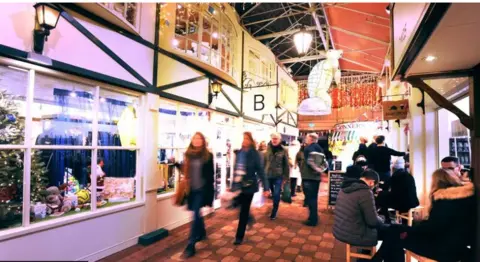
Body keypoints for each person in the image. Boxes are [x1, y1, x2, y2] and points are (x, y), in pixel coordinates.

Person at [375, 169, 476, 262]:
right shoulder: (466, 198)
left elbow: (432, 228)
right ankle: (376, 259)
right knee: (395, 232)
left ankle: (376, 259)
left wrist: (410, 231)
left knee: (395, 235)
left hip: (443, 249)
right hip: (456, 246)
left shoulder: (444, 201)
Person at [175, 132, 214, 258]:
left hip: (202, 190)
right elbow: (186, 170)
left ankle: (191, 245)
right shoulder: (188, 155)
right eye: (195, 138)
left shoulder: (208, 156)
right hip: (191, 190)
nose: (197, 140)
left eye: (199, 138)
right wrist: (176, 165)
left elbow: (211, 176)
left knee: (195, 214)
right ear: (192, 141)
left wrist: (211, 195)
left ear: (203, 141)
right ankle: (202, 232)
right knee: (197, 213)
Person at [232, 132, 269, 245]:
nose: (245, 141)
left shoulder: (256, 154)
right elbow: (236, 171)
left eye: (247, 139)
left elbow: (261, 171)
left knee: (243, 210)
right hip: (238, 185)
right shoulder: (239, 153)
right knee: (237, 206)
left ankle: (239, 236)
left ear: (251, 141)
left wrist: (266, 187)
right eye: (243, 138)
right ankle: (250, 218)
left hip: (249, 186)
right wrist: (232, 186)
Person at [333, 169, 384, 247]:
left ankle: (367, 255)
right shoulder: (365, 192)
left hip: (339, 230)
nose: (373, 188)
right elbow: (372, 222)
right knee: (390, 233)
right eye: (374, 186)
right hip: (353, 235)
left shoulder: (344, 187)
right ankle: (372, 257)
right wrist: (382, 219)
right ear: (371, 182)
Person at [301, 133, 328, 226]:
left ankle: (313, 220)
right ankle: (314, 217)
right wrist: (319, 170)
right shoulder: (320, 149)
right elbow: (325, 164)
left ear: (311, 139)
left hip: (308, 177)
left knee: (310, 199)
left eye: (307, 138)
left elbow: (309, 162)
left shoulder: (308, 149)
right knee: (314, 198)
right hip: (316, 178)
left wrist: (314, 169)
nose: (305, 139)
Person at [264, 132, 290, 220]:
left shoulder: (284, 150)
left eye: (276, 139)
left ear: (279, 140)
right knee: (271, 192)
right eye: (273, 138)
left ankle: (274, 211)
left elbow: (286, 164)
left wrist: (286, 177)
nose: (274, 140)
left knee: (276, 194)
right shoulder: (267, 149)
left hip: (278, 175)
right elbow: (264, 162)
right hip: (268, 175)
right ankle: (274, 203)